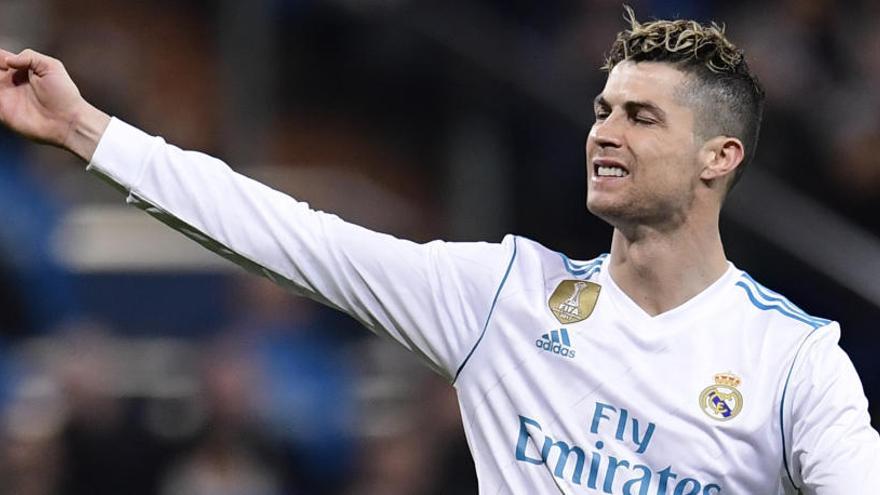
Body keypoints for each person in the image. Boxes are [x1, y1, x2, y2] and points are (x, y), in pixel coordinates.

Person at [0, 7, 878, 494]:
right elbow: (287, 232)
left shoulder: (795, 360)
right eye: (602, 109)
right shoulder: (503, 295)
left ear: (719, 158)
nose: (604, 133)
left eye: (640, 117)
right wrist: (82, 127)